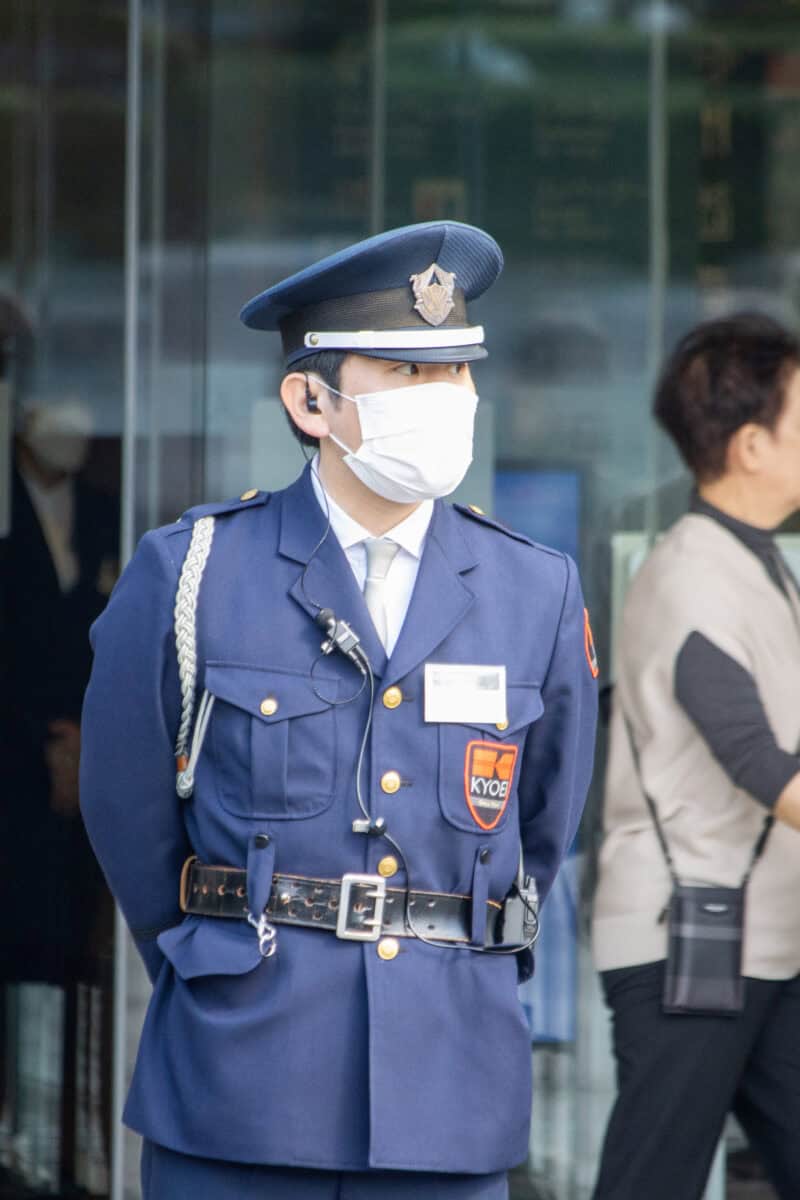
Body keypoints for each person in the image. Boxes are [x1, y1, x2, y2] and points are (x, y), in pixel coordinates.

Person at [80, 220, 598, 1199]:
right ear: (309, 400)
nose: (443, 402)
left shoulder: (535, 591)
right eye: (405, 375)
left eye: (454, 376)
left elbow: (542, 831)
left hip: (447, 1091)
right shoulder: (189, 575)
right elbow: (128, 819)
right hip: (242, 1083)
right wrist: (219, 952)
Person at [591, 313, 800, 1200]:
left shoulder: (757, 563)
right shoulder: (691, 575)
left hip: (764, 942)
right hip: (691, 943)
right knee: (654, 1181)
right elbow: (759, 762)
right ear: (751, 445)